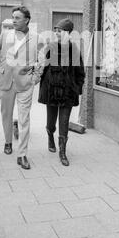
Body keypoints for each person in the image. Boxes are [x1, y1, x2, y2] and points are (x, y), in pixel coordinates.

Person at [0, 6, 43, 170]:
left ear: (26, 19)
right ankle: (8, 141)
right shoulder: (6, 35)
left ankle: (22, 155)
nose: (13, 20)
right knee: (6, 115)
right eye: (13, 17)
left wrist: (35, 78)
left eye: (17, 18)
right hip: (6, 80)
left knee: (24, 119)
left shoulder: (37, 38)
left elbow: (42, 61)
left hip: (25, 83)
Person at [38, 18, 85, 166]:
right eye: (56, 31)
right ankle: (50, 135)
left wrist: (76, 88)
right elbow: (42, 67)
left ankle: (62, 152)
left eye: (60, 31)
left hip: (67, 93)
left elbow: (80, 73)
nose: (57, 33)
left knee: (64, 123)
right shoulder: (49, 47)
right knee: (51, 122)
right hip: (51, 91)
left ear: (68, 34)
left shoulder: (74, 49)